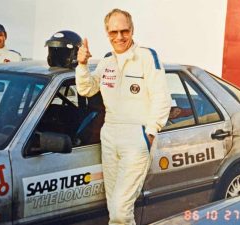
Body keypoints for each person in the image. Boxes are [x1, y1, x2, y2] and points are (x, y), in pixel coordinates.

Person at [75, 8, 172, 225]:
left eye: (124, 31)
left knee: (120, 209)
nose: (119, 37)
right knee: (115, 208)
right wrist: (81, 65)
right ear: (106, 32)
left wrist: (150, 133)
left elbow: (161, 98)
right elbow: (87, 89)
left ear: (132, 30)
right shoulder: (107, 61)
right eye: (113, 32)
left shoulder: (147, 56)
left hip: (136, 136)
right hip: (110, 135)